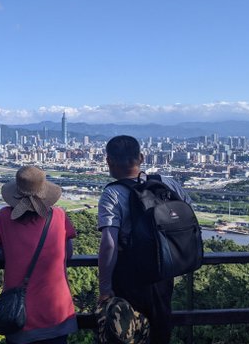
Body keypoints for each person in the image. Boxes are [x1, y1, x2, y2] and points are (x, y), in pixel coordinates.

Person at [97, 135, 193, 344]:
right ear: (141, 157)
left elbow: (109, 243)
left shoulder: (112, 194)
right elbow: (188, 217)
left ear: (109, 161)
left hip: (129, 278)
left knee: (126, 334)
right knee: (160, 332)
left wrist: (104, 288)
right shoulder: (167, 183)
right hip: (164, 274)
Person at [0, 165, 78, 344]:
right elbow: (68, 253)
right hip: (56, 310)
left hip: (19, 312)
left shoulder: (4, 216)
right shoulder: (58, 215)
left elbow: (0, 250)